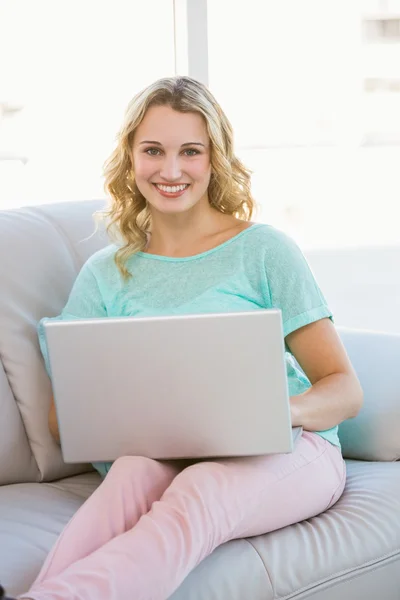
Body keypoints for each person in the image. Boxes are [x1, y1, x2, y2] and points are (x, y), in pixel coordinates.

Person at [6, 75, 363, 600]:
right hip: (158, 453)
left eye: (190, 152)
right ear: (131, 158)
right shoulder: (105, 274)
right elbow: (67, 420)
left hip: (288, 449)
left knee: (200, 487)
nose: (171, 171)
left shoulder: (263, 251)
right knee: (128, 474)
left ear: (213, 158)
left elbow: (344, 389)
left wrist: (270, 411)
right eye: (153, 150)